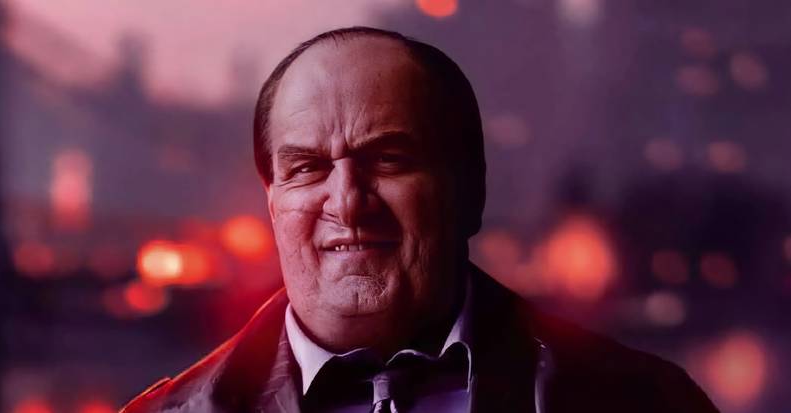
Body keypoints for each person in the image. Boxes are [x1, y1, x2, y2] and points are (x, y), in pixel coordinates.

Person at [120, 27, 719, 413]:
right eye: (307, 168)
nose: (348, 202)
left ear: (471, 188)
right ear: (272, 202)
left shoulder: (649, 401)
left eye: (389, 160)